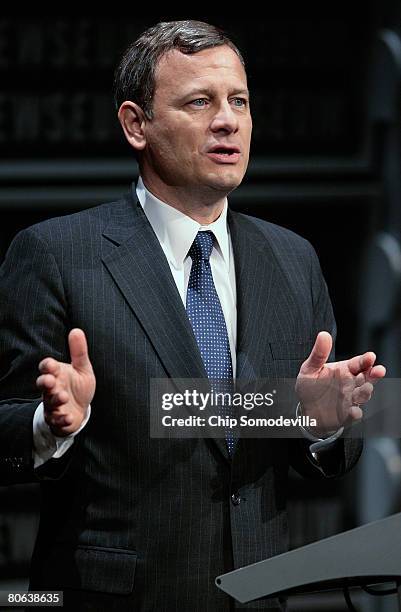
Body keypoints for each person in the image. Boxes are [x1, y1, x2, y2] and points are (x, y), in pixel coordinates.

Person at [0, 20, 385, 612]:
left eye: (239, 102)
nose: (227, 120)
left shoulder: (291, 259)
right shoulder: (57, 254)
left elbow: (322, 458)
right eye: (199, 102)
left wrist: (321, 424)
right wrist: (51, 426)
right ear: (136, 125)